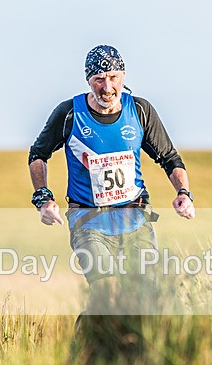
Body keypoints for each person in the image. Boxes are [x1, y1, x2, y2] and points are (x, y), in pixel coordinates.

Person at [28, 44, 195, 314]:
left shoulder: (140, 111)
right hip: (89, 221)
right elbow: (38, 154)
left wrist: (183, 193)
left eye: (113, 77)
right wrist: (43, 198)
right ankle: (83, 352)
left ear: (124, 76)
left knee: (145, 294)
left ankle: (136, 353)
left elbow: (169, 157)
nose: (107, 87)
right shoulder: (70, 113)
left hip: (135, 218)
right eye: (99, 80)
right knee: (106, 292)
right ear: (88, 81)